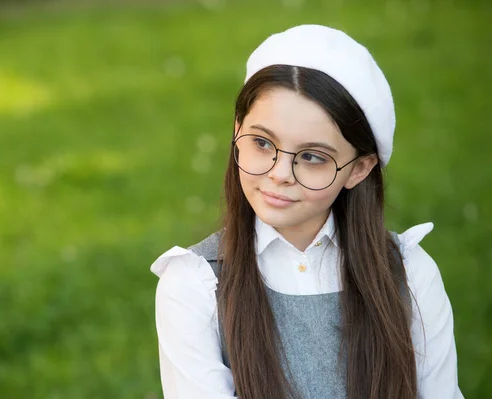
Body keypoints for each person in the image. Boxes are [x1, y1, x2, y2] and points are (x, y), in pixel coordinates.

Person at [150, 24, 463, 399]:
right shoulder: (194, 285)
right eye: (262, 143)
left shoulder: (409, 274)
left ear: (359, 169)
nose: (279, 174)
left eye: (312, 157)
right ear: (237, 132)